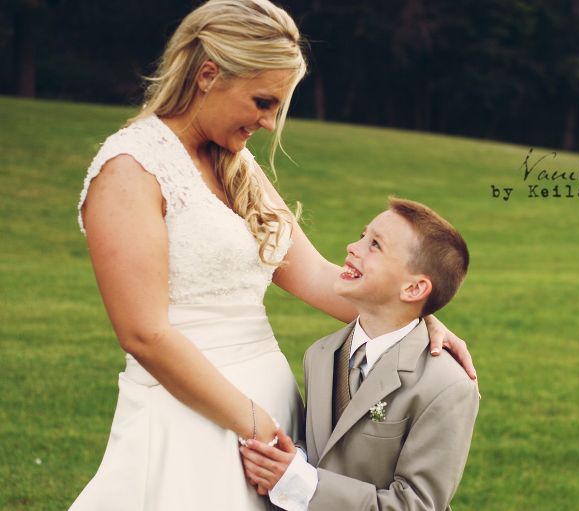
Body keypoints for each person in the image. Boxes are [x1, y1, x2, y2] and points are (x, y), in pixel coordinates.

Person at [69, 1, 475, 510]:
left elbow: (321, 277)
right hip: (192, 413)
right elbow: (145, 334)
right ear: (208, 75)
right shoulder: (130, 169)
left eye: (277, 108)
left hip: (272, 410)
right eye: (262, 102)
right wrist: (254, 422)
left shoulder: (239, 167)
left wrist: (416, 321)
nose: (267, 123)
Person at [241, 198, 480, 511]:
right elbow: (324, 450)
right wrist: (290, 461)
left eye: (375, 245)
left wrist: (302, 482)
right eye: (362, 236)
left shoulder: (447, 386)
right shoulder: (321, 354)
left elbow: (417, 504)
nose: (352, 247)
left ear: (413, 289)